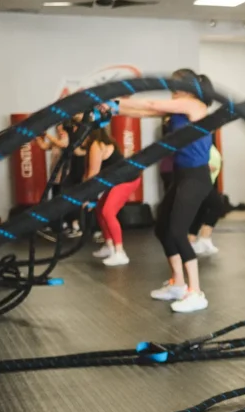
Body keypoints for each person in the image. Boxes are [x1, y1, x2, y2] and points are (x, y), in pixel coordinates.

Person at [115, 68, 212, 313]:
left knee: (178, 231)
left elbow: (149, 102)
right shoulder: (177, 106)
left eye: (174, 83)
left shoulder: (194, 106)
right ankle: (178, 284)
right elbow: (146, 110)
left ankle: (196, 292)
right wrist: (113, 108)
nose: (170, 87)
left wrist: (115, 99)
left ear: (187, 86)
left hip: (196, 178)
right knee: (162, 229)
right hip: (181, 176)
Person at [84, 125, 140, 267]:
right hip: (117, 180)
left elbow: (93, 175)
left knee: (108, 212)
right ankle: (110, 247)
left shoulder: (97, 145)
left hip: (127, 179)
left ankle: (120, 253)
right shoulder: (97, 144)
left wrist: (86, 196)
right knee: (99, 209)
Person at [189, 143, 224, 256]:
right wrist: (204, 167)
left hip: (206, 180)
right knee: (217, 205)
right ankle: (204, 239)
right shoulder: (196, 139)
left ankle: (191, 241)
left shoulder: (207, 141)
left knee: (201, 210)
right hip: (199, 180)